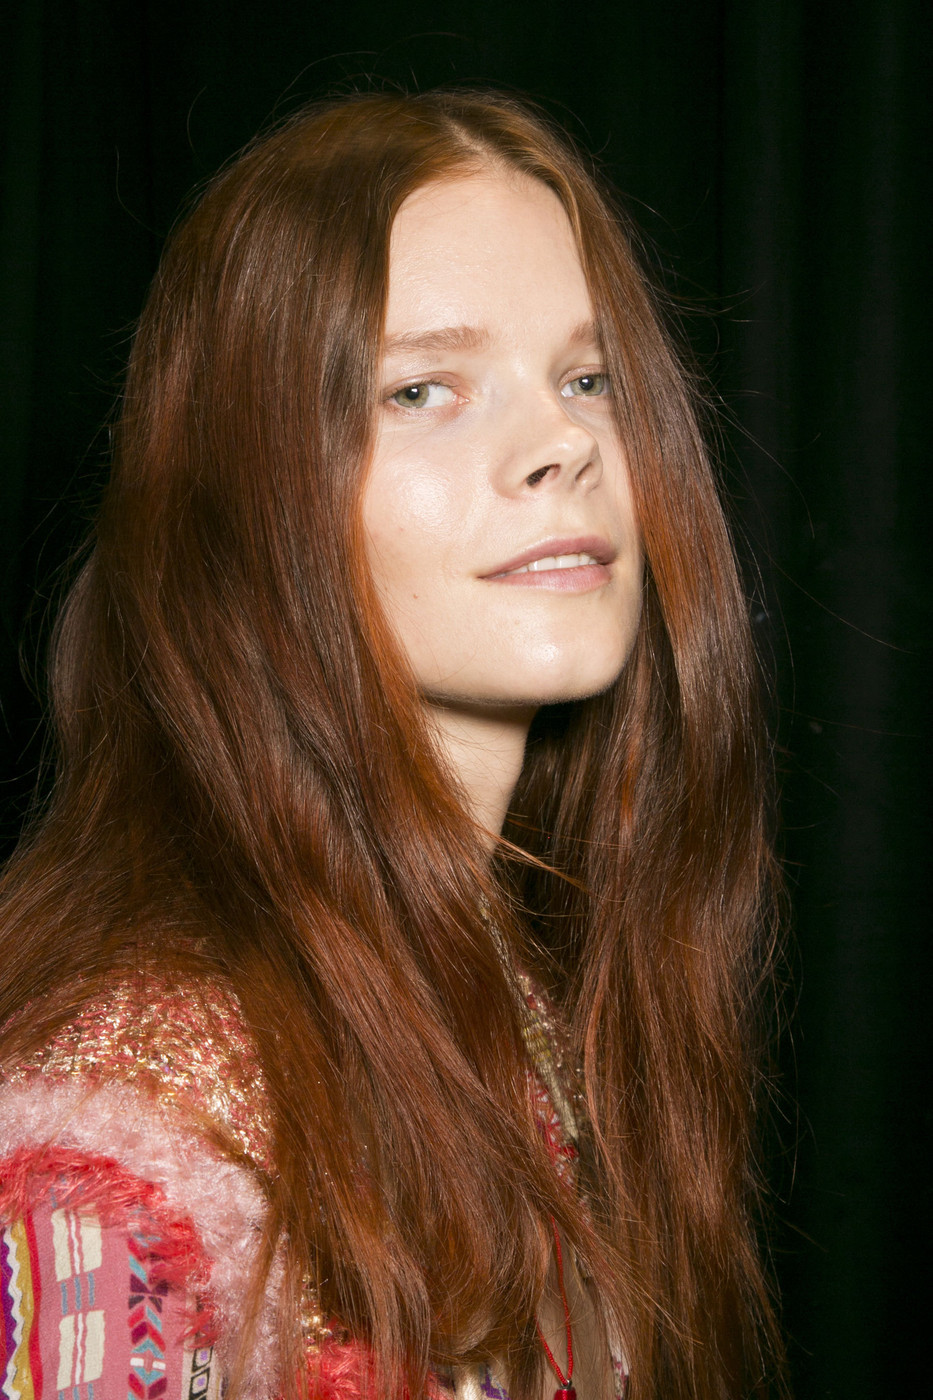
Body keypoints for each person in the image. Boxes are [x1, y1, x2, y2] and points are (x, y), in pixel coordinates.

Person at [0, 90, 782, 1400]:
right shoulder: (119, 1131)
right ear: (249, 499)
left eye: (588, 379)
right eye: (424, 390)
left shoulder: (519, 994)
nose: (563, 446)